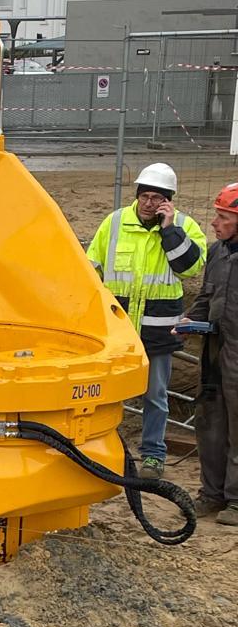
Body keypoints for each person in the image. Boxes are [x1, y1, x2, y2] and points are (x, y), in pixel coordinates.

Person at [87, 162, 207, 474]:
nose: (149, 203)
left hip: (158, 332)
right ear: (137, 195)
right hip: (117, 330)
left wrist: (169, 231)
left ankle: (153, 455)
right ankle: (107, 450)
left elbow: (189, 268)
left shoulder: (184, 227)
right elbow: (90, 268)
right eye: (145, 196)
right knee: (110, 393)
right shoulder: (114, 223)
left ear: (168, 201)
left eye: (157, 198)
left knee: (156, 397)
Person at [180, 183, 238, 523]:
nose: (214, 223)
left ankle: (235, 501)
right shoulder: (217, 253)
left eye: (223, 217)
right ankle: (211, 493)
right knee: (210, 422)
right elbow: (206, 296)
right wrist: (191, 320)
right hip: (214, 353)